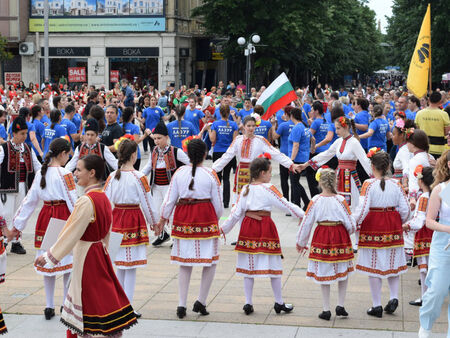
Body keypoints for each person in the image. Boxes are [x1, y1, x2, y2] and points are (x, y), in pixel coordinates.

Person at [35, 155, 138, 337]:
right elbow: (107, 231)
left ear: (92, 173)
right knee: (100, 298)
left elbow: (71, 233)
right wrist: (106, 252)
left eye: (79, 170)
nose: (75, 173)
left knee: (84, 300)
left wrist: (50, 256)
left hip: (87, 257)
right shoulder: (104, 197)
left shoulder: (86, 200)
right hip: (100, 253)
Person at [221, 155, 304, 315]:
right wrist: (302, 214)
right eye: (269, 172)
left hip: (248, 228)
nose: (270, 176)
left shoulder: (245, 189)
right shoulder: (269, 188)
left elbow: (235, 213)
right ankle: (278, 302)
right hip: (265, 227)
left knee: (247, 265)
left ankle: (248, 302)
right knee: (274, 264)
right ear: (262, 173)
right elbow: (285, 204)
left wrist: (223, 230)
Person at [9, 138, 76, 319]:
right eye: (67, 155)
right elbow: (73, 201)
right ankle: (64, 303)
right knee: (66, 259)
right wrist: (81, 221)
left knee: (48, 259)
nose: (68, 158)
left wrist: (17, 225)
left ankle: (48, 306)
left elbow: (29, 201)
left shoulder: (41, 174)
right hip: (62, 217)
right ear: (62, 154)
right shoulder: (65, 174)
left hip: (46, 217)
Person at [157, 139, 223, 319]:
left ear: (187, 154)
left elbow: (169, 199)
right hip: (205, 218)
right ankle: (201, 301)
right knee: (210, 261)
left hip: (183, 218)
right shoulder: (211, 174)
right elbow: (218, 205)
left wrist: (163, 218)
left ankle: (181, 304)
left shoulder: (179, 172)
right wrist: (215, 221)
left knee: (185, 263)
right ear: (204, 154)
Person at [104, 139, 157, 318]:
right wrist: (154, 222)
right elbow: (148, 202)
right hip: (133, 218)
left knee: (120, 265)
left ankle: (118, 304)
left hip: (117, 218)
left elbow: (105, 201)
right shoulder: (139, 177)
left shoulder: (113, 176)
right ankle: (127, 306)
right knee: (130, 266)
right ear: (134, 155)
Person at [353, 150, 410, 318]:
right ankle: (393, 296)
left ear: (372, 167)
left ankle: (376, 304)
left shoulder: (368, 184)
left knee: (374, 265)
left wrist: (353, 222)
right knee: (393, 263)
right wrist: (398, 221)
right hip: (391, 224)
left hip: (373, 225)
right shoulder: (397, 184)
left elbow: (363, 209)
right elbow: (405, 209)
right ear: (388, 167)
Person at [296, 167, 356, 320]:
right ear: (335, 182)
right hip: (339, 234)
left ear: (320, 183)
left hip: (322, 234)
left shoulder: (315, 200)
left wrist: (301, 242)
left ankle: (326, 309)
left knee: (324, 271)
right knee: (343, 270)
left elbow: (306, 222)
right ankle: (341, 305)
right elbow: (350, 223)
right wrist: (347, 233)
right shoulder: (341, 200)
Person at [212, 115, 299, 201]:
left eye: (253, 126)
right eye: (248, 126)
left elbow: (276, 153)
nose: (251, 128)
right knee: (241, 198)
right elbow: (227, 156)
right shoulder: (238, 140)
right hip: (241, 173)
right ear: (244, 126)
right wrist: (214, 169)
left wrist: (290, 164)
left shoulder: (260, 140)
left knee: (255, 198)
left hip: (255, 171)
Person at [298, 116, 371, 209]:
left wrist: (375, 177)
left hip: (350, 178)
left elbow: (364, 160)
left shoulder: (354, 143)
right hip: (339, 175)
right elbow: (326, 154)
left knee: (351, 203)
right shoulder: (338, 141)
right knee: (338, 201)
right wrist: (306, 164)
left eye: (338, 128)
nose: (336, 131)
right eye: (336, 128)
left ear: (346, 127)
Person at [141, 121, 189, 246]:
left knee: (171, 212)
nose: (156, 141)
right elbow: (148, 166)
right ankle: (163, 234)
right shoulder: (154, 151)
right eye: (155, 138)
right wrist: (138, 176)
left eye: (159, 138)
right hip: (156, 186)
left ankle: (175, 237)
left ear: (167, 138)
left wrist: (183, 177)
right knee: (157, 211)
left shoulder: (175, 151)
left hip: (170, 186)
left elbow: (189, 163)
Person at [418, 150, 450, 337]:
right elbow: (429, 221)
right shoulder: (440, 189)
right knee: (436, 290)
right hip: (442, 244)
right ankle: (426, 325)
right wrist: (448, 229)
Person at [0, 117, 41, 255]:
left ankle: (16, 242)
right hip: (7, 187)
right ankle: (4, 241)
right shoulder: (4, 148)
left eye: (25, 133)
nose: (24, 136)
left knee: (19, 214)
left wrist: (47, 173)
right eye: (22, 133)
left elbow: (37, 166)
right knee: (6, 214)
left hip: (23, 186)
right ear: (14, 133)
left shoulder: (27, 149)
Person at [402, 165, 433, 307]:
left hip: (425, 233)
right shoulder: (440, 192)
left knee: (424, 267)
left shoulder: (424, 198)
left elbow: (420, 220)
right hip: (438, 232)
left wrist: (406, 226)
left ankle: (425, 296)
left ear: (421, 181)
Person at [205, 104, 238, 208]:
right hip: (229, 153)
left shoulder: (215, 124)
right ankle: (226, 202)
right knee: (227, 177)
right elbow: (235, 141)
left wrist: (209, 130)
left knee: (217, 177)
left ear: (219, 113)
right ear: (229, 113)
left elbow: (212, 139)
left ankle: (217, 200)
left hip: (218, 152)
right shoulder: (234, 125)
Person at [288, 107, 318, 209]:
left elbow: (295, 145)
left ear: (292, 116)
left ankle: (301, 203)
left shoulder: (296, 128)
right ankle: (306, 202)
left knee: (294, 183)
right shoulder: (304, 127)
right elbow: (313, 139)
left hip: (297, 158)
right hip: (304, 157)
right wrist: (312, 149)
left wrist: (291, 161)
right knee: (296, 182)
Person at [415, 91, 450, 159]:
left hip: (424, 147)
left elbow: (418, 130)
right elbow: (446, 132)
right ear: (440, 102)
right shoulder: (444, 114)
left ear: (428, 100)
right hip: (439, 148)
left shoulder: (419, 113)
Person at [272, 106, 295, 201]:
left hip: (284, 154)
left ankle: (286, 199)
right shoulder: (299, 125)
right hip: (295, 154)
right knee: (294, 180)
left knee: (284, 178)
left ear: (286, 114)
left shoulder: (283, 125)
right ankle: (294, 200)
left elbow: (274, 137)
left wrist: (273, 126)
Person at [391, 119, 415, 186]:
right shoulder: (405, 148)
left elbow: (406, 167)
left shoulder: (404, 150)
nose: (392, 137)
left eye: (393, 134)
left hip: (401, 185)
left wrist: (404, 184)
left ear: (401, 135)